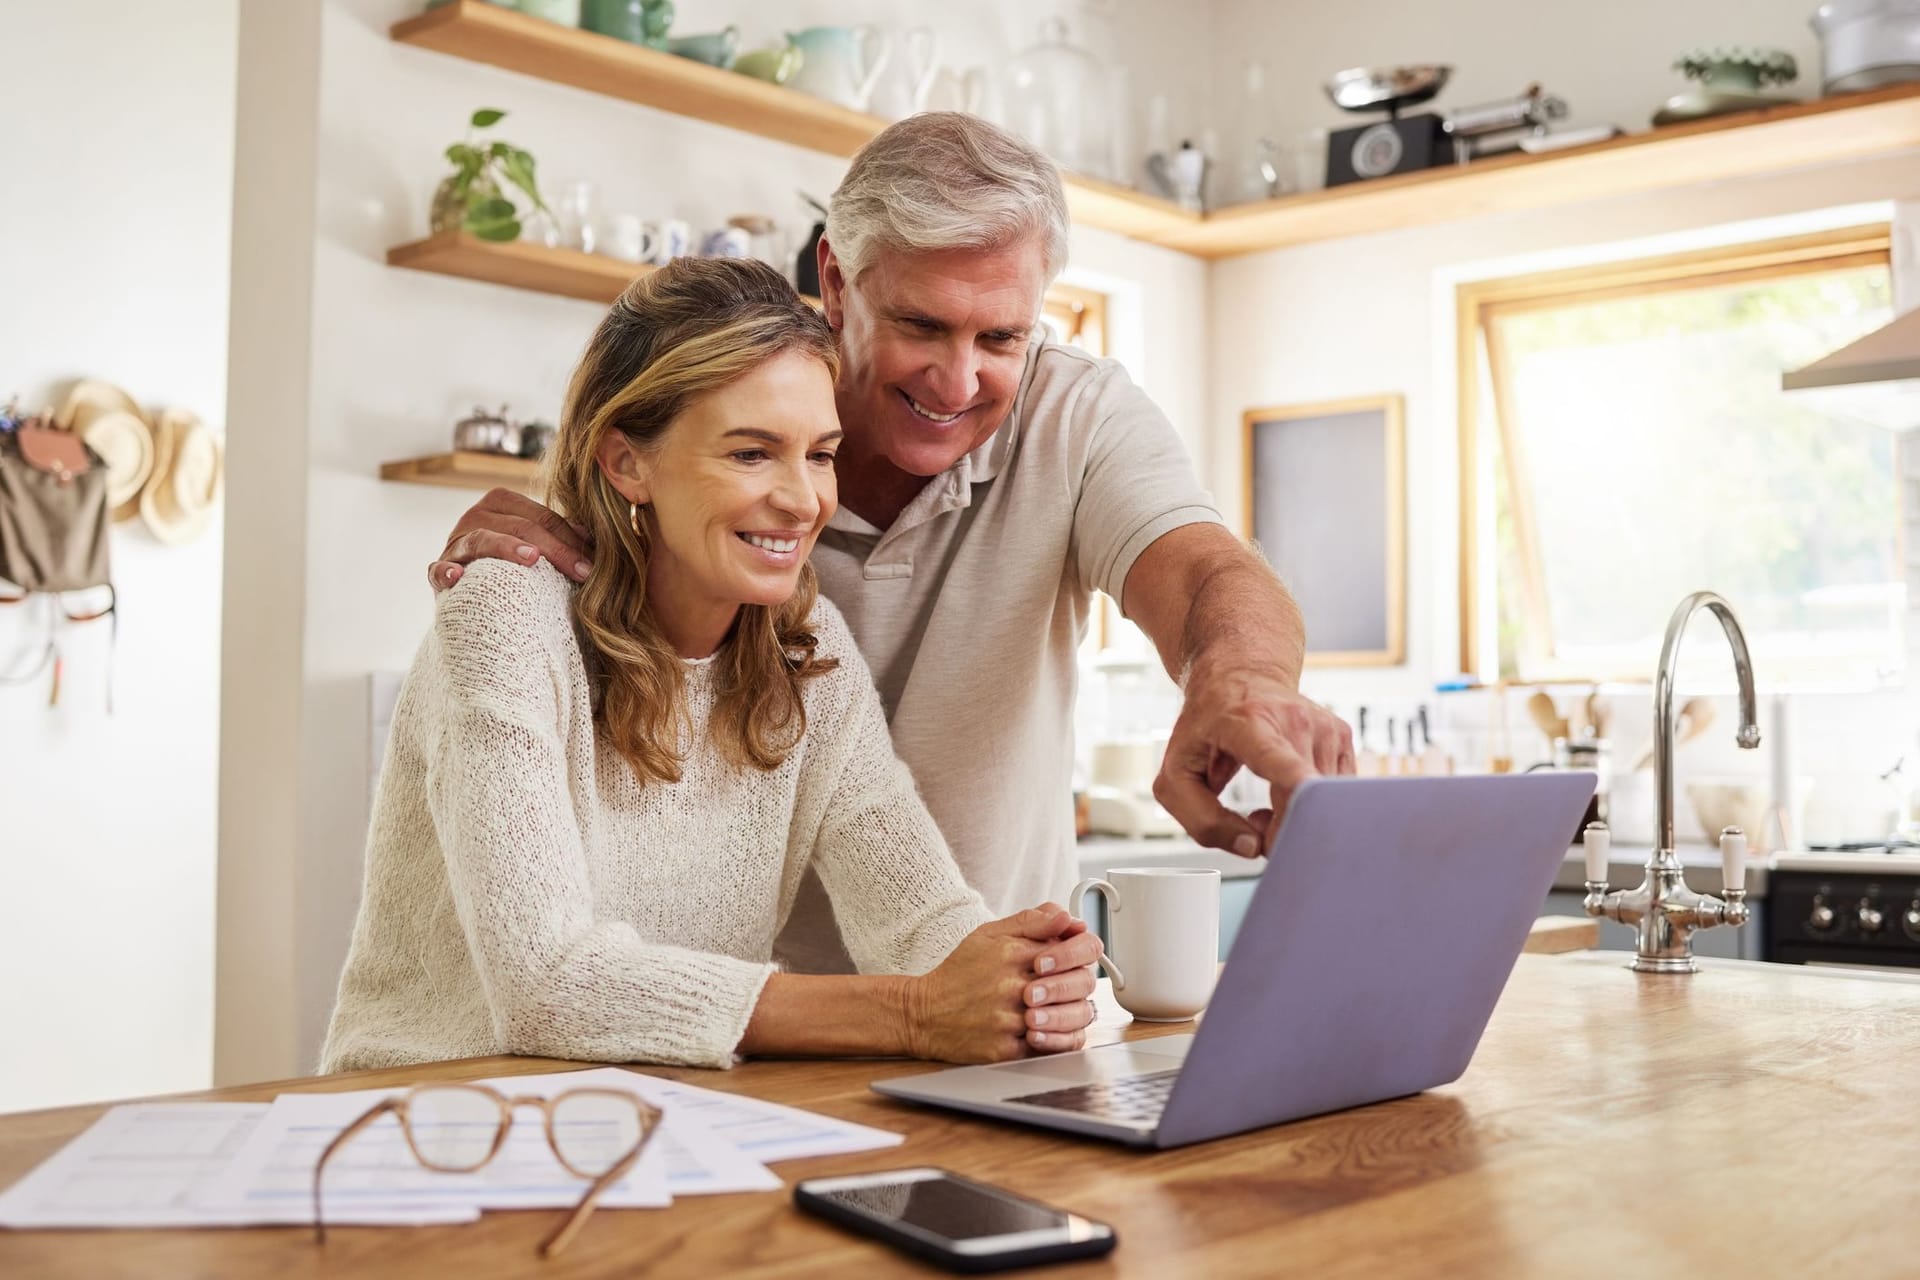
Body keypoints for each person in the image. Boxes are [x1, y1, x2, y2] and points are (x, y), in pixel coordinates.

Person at [428, 113, 1354, 974]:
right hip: (723, 1026)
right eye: (921, 324)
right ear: (836, 280)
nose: (958, 380)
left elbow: (1204, 575)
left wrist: (1240, 681)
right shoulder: (715, 439)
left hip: (960, 1003)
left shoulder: (1076, 417)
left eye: (1002, 336)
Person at [320, 258, 1101, 1073]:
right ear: (627, 463)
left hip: (664, 1126)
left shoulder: (808, 649)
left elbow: (921, 925)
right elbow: (548, 984)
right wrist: (915, 1013)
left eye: (820, 455)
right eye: (752, 453)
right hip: (429, 1128)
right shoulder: (507, 614)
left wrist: (1023, 976)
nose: (803, 501)